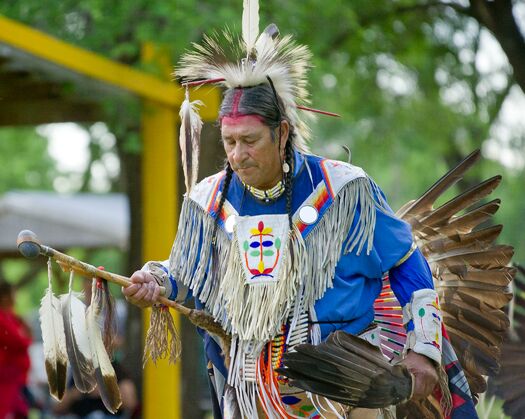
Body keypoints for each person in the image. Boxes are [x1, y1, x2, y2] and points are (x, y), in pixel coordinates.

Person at [122, 7, 475, 418]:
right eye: (230, 141)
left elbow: (406, 261)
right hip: (251, 392)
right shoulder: (207, 202)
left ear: (283, 132)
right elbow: (188, 273)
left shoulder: (345, 190)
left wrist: (423, 346)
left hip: (345, 387)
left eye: (250, 140)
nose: (237, 154)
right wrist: (157, 280)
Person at [0, 281, 32, 419]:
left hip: (17, 377)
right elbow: (18, 342)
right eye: (13, 294)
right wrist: (27, 336)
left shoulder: (12, 316)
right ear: (5, 296)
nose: (16, 297)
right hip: (7, 376)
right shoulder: (2, 318)